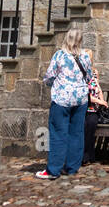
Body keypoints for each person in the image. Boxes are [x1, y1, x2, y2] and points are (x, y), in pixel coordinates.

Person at [37, 26, 92, 180]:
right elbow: (88, 78)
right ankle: (72, 167)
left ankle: (53, 170)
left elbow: (49, 77)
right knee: (76, 133)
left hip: (62, 99)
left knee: (58, 134)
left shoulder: (59, 56)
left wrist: (56, 84)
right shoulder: (86, 57)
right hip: (80, 99)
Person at [82, 48, 109, 166]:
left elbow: (98, 88)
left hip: (93, 109)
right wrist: (99, 101)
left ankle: (89, 155)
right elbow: (84, 94)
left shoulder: (94, 72)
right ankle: (85, 156)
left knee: (92, 124)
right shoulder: (79, 74)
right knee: (84, 125)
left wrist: (102, 100)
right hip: (83, 108)